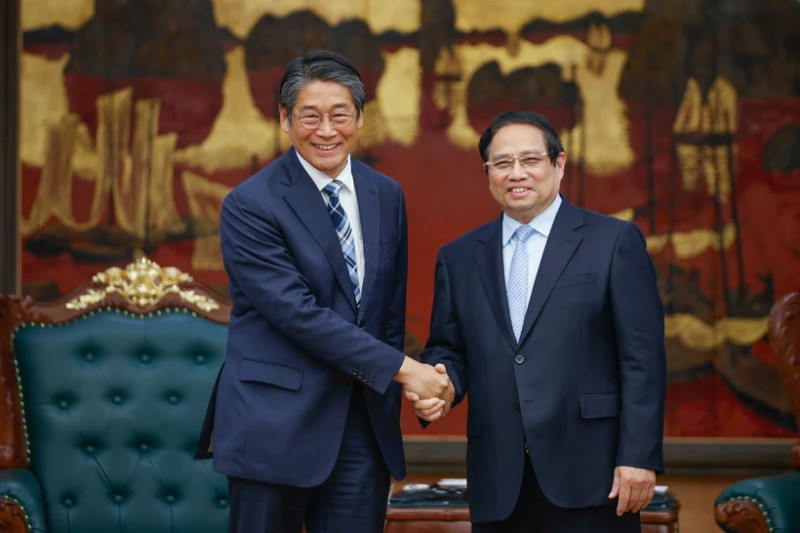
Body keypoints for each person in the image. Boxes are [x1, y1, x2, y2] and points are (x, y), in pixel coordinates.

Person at [201, 50, 452, 533]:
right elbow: (297, 314)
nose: (326, 130)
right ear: (284, 119)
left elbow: (386, 317)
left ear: (360, 118)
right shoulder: (250, 204)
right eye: (309, 116)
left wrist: (409, 384)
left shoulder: (386, 194)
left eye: (340, 115)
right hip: (273, 423)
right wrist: (406, 371)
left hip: (361, 426)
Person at [409, 111, 666, 532]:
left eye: (530, 160)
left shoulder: (613, 241)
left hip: (594, 473)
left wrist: (638, 456)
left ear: (558, 164)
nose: (517, 173)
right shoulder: (459, 257)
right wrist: (441, 385)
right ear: (488, 172)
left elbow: (643, 359)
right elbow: (448, 348)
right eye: (503, 163)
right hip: (498, 476)